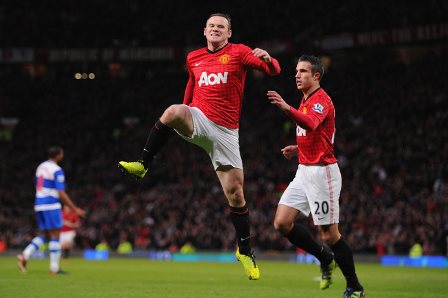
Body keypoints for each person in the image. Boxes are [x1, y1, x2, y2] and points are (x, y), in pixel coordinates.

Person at [118, 12, 281, 280]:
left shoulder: (239, 52)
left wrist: (269, 60)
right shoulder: (193, 57)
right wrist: (185, 112)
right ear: (204, 31)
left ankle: (244, 250)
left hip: (227, 132)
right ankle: (143, 165)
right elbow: (191, 86)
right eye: (212, 26)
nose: (216, 29)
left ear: (229, 33)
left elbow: (272, 70)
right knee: (172, 111)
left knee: (236, 195)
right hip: (201, 118)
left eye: (221, 27)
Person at [267, 55, 365, 297]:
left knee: (329, 235)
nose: (297, 75)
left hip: (323, 174)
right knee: (281, 223)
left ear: (316, 76)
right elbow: (321, 136)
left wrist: (285, 107)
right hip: (304, 170)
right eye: (296, 71)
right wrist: (298, 148)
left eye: (303, 71)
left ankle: (354, 286)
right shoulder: (305, 99)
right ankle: (324, 256)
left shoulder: (320, 100)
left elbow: (311, 124)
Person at [17, 146, 85, 274]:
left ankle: (24, 255)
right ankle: (54, 268)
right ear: (59, 155)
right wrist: (74, 209)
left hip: (39, 204)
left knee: (45, 235)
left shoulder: (41, 167)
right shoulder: (57, 170)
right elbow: (61, 193)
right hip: (51, 204)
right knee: (55, 235)